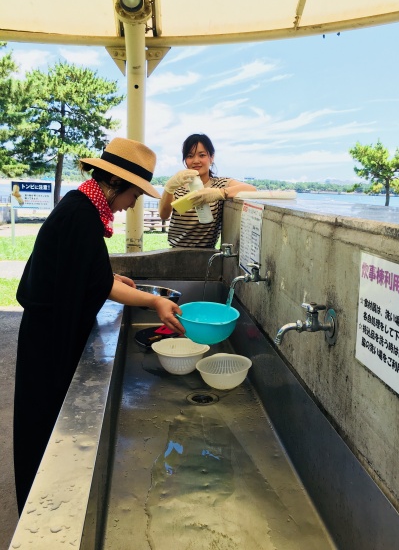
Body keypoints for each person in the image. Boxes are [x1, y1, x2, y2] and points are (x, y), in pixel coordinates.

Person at [13, 137, 185, 514]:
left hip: (46, 327)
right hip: (48, 337)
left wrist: (111, 276)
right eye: (134, 195)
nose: (132, 205)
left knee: (42, 417)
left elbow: (85, 269)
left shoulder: (83, 206)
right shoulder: (81, 215)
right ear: (115, 184)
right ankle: (39, 510)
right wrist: (155, 300)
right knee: (42, 421)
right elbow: (95, 282)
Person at [159, 133, 256, 247]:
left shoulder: (219, 184)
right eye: (190, 156)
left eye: (202, 155)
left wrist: (220, 193)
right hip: (175, 253)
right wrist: (168, 188)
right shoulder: (178, 186)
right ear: (185, 160)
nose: (196, 160)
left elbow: (252, 189)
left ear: (211, 157)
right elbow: (164, 215)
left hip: (206, 254)